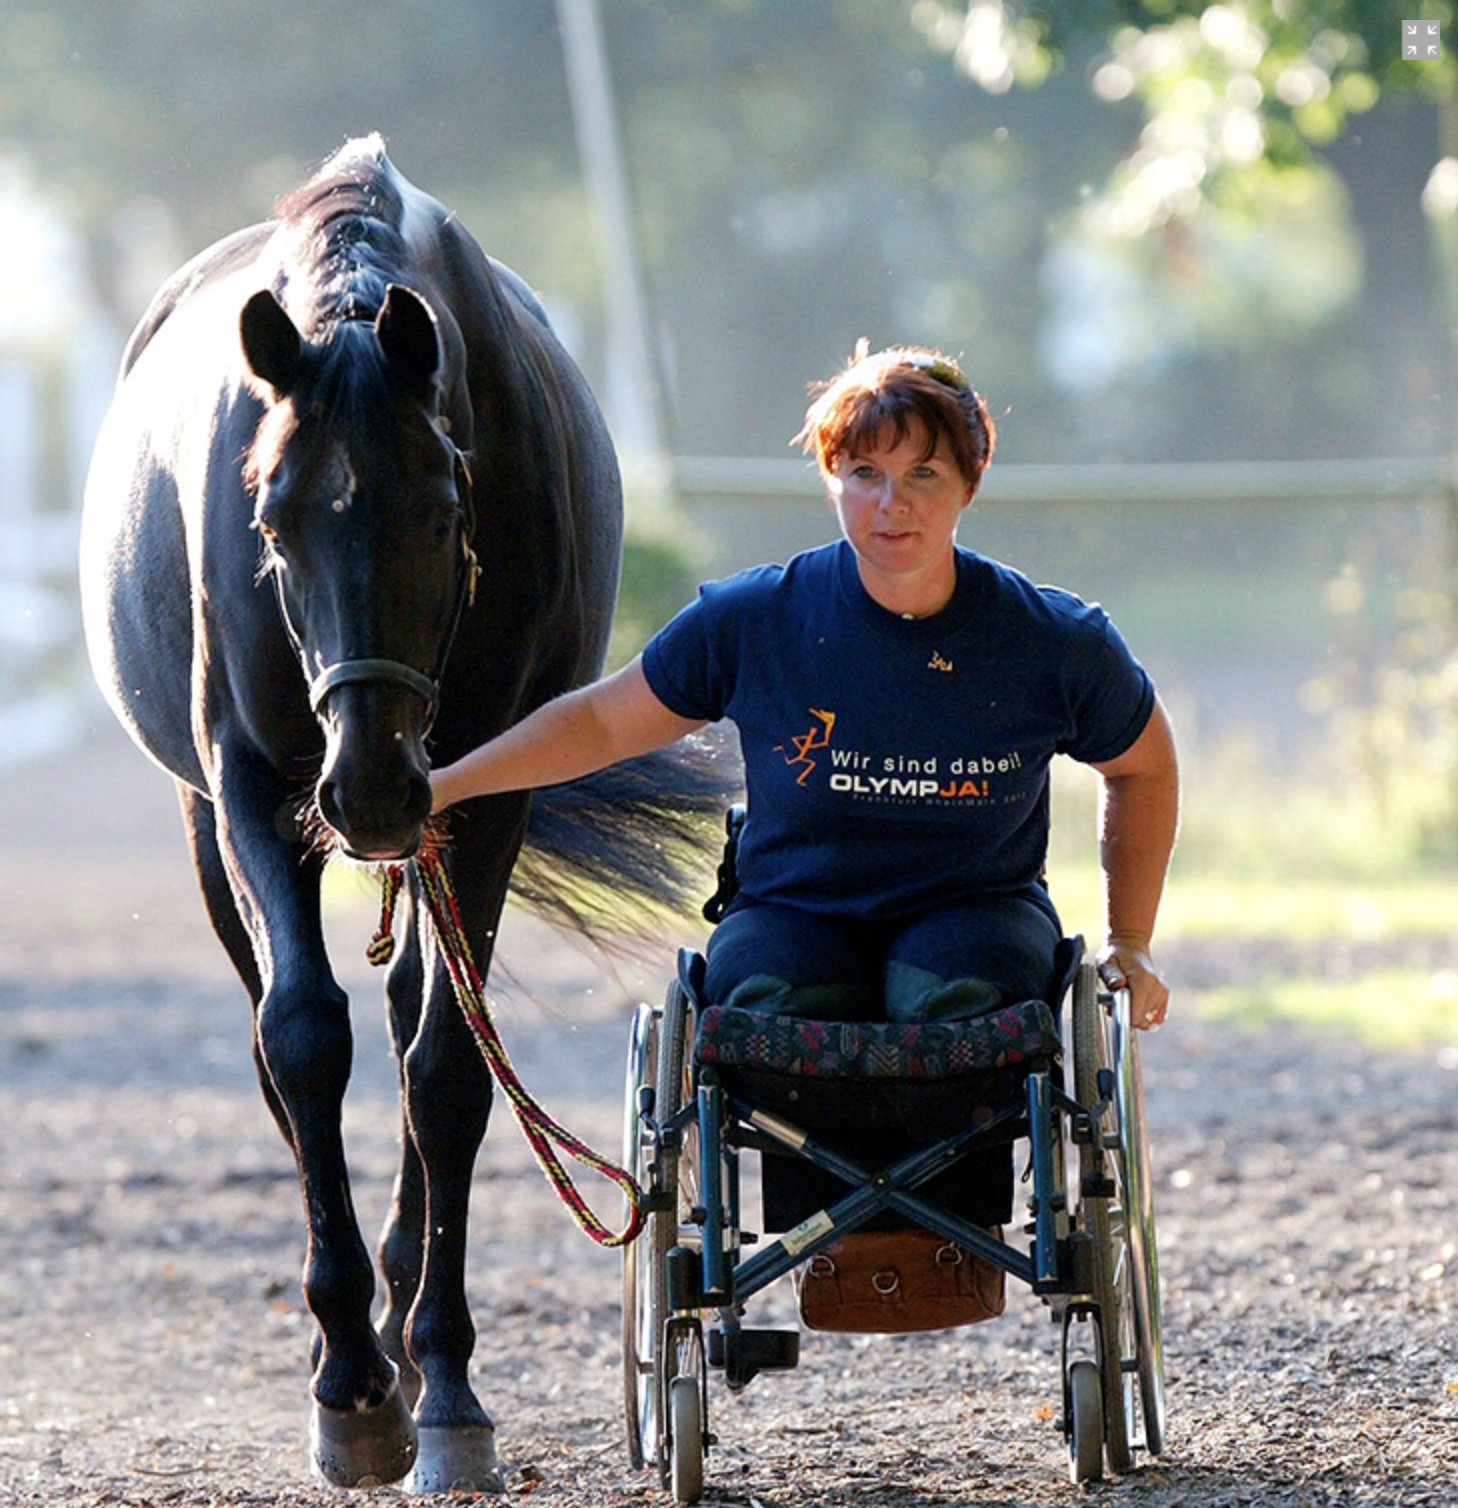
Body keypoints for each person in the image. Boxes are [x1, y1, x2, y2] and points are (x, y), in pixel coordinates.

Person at [430, 341, 1179, 1229]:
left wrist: (1130, 941)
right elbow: (597, 722)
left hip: (975, 909)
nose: (891, 503)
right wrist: (442, 786)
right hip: (795, 911)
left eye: (924, 474)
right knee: (758, 1013)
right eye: (864, 471)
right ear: (831, 475)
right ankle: (819, 1228)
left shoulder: (1053, 641)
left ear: (971, 483)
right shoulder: (753, 621)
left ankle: (953, 1223)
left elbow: (1144, 765)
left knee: (954, 1010)